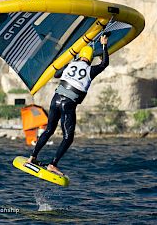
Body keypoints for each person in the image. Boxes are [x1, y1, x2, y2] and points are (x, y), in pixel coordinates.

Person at [26, 34, 110, 176]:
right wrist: (104, 45)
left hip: (55, 100)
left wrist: (68, 60)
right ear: (89, 60)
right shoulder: (90, 70)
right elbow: (104, 64)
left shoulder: (70, 65)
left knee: (48, 130)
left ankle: (32, 158)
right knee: (67, 138)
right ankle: (53, 164)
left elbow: (56, 75)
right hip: (68, 104)